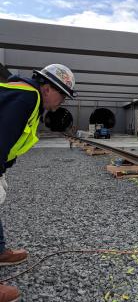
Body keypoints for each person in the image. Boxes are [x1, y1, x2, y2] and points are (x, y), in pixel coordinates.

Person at [0, 64, 76, 302]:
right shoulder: (26, 98)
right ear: (47, 88)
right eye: (62, 93)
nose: (63, 100)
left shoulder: (26, 96)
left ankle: (0, 251)